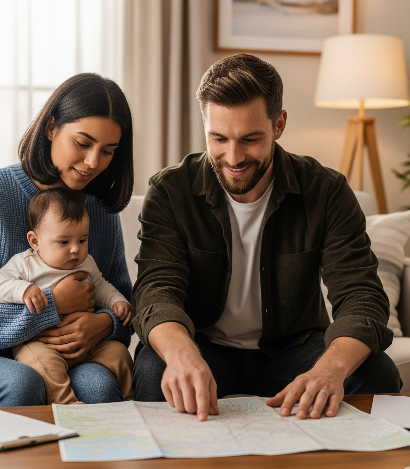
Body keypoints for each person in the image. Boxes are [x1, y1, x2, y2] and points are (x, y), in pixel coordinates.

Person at [132, 54, 401, 422]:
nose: (233, 157)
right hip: (204, 347)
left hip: (295, 351)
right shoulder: (169, 191)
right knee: (152, 371)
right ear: (205, 126)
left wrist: (331, 369)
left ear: (280, 124)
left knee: (378, 373)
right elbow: (155, 290)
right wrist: (182, 354)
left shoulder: (326, 191)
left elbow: (361, 295)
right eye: (219, 138)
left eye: (250, 139)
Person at [0, 73, 134, 408]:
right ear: (51, 128)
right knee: (21, 383)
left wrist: (104, 324)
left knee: (99, 387)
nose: (93, 163)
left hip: (65, 355)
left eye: (108, 151)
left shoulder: (99, 210)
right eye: (82, 143)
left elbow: (121, 302)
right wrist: (53, 305)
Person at [0, 188, 134, 404]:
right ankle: (68, 405)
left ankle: (132, 402)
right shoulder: (26, 264)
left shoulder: (86, 263)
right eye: (64, 242)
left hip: (87, 344)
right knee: (43, 363)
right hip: (43, 342)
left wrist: (117, 301)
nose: (75, 250)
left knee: (118, 353)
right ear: (35, 241)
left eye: (82, 240)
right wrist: (23, 290)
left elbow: (101, 287)